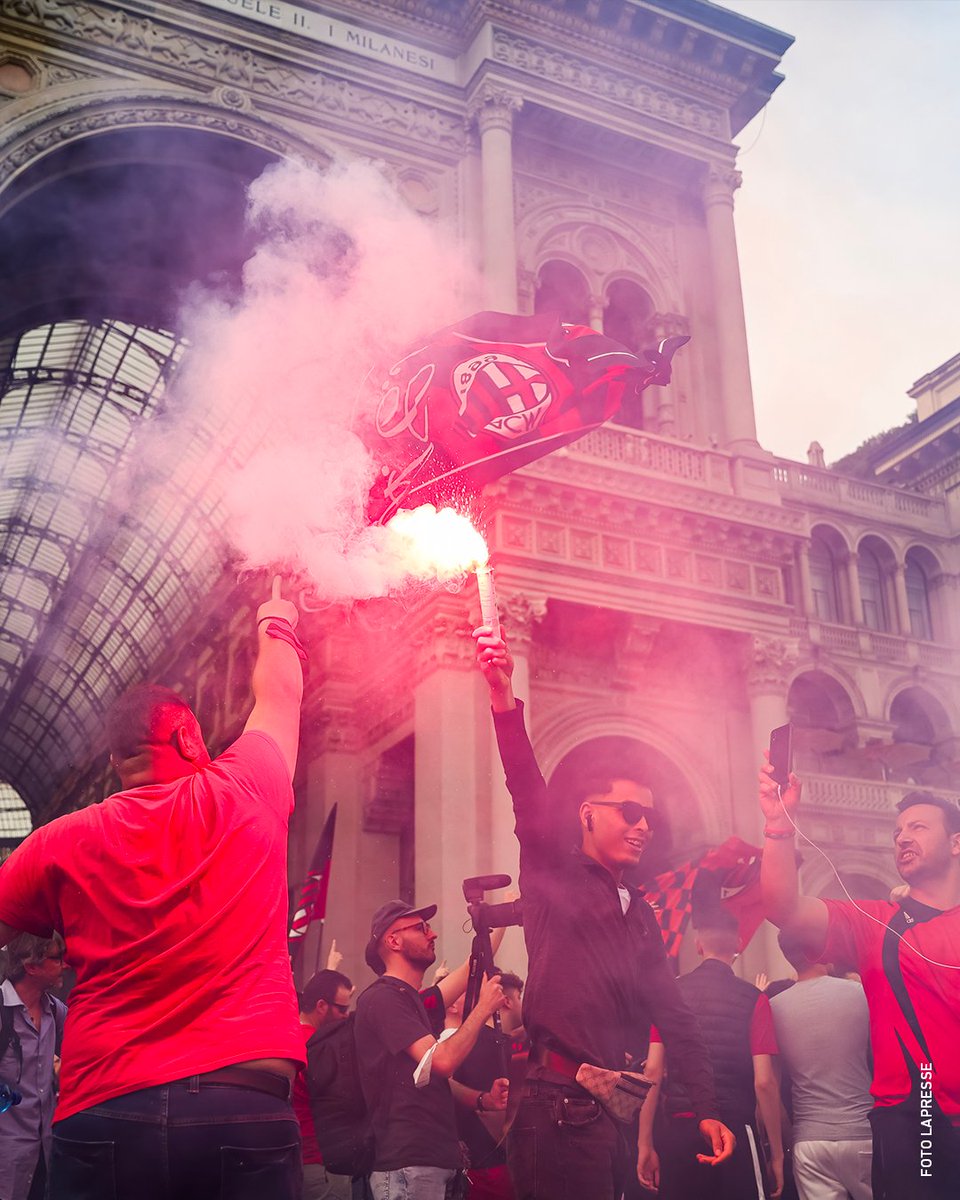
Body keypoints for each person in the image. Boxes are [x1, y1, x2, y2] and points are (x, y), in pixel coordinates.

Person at [0, 577, 306, 1200]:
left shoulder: (62, 840)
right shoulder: (247, 787)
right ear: (190, 738)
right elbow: (280, 691)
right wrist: (277, 619)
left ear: (116, 764)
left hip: (107, 1104)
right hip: (244, 1097)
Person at [475, 627, 734, 1200]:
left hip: (607, 1117)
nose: (644, 825)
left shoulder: (639, 913)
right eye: (631, 812)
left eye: (650, 818)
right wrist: (502, 700)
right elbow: (526, 790)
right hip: (555, 1113)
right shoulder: (552, 872)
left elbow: (676, 1013)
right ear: (588, 814)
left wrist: (708, 1107)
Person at [759, 762, 960, 1200]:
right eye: (897, 831)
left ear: (956, 842)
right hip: (917, 1120)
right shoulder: (876, 922)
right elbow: (782, 906)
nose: (903, 837)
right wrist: (778, 823)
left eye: (919, 827)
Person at [355, 899, 507, 1200]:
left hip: (434, 1161)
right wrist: (484, 1007)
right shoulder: (383, 999)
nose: (432, 934)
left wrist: (500, 915)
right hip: (409, 1164)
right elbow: (443, 1062)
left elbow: (471, 968)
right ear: (393, 940)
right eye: (421, 927)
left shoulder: (411, 1000)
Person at [641, 911, 784, 1199]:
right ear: (739, 945)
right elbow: (764, 1081)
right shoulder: (754, 999)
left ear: (697, 945)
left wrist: (644, 1143)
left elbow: (653, 1071)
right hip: (736, 1129)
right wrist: (777, 1154)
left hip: (680, 1129)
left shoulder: (671, 995)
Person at [770, 929, 873, 1200]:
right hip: (863, 1130)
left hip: (810, 1140)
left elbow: (768, 1083)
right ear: (822, 950)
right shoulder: (861, 994)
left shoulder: (773, 1007)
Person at [0, 931, 67, 1200]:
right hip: (6, 1152)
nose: (65, 964)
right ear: (31, 966)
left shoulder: (56, 1010)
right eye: (57, 958)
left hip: (45, 1150)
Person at [450, 969, 525, 1200]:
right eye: (520, 998)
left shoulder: (473, 1040)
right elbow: (491, 1112)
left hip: (476, 1166)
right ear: (508, 1002)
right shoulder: (494, 1046)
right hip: (493, 1168)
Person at [296, 969, 355, 1200]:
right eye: (342, 1008)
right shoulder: (319, 1046)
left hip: (293, 1159)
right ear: (321, 1006)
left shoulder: (288, 1037)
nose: (346, 1015)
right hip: (321, 1165)